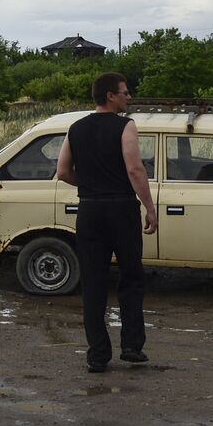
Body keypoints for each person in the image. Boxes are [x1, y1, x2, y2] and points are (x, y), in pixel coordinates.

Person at [56, 72, 158, 373]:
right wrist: (149, 207)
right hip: (122, 209)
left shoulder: (75, 128)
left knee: (94, 282)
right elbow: (135, 169)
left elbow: (62, 172)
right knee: (130, 277)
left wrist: (89, 185)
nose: (129, 97)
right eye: (124, 92)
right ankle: (131, 347)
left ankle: (98, 356)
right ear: (110, 96)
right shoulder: (126, 125)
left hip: (89, 210)